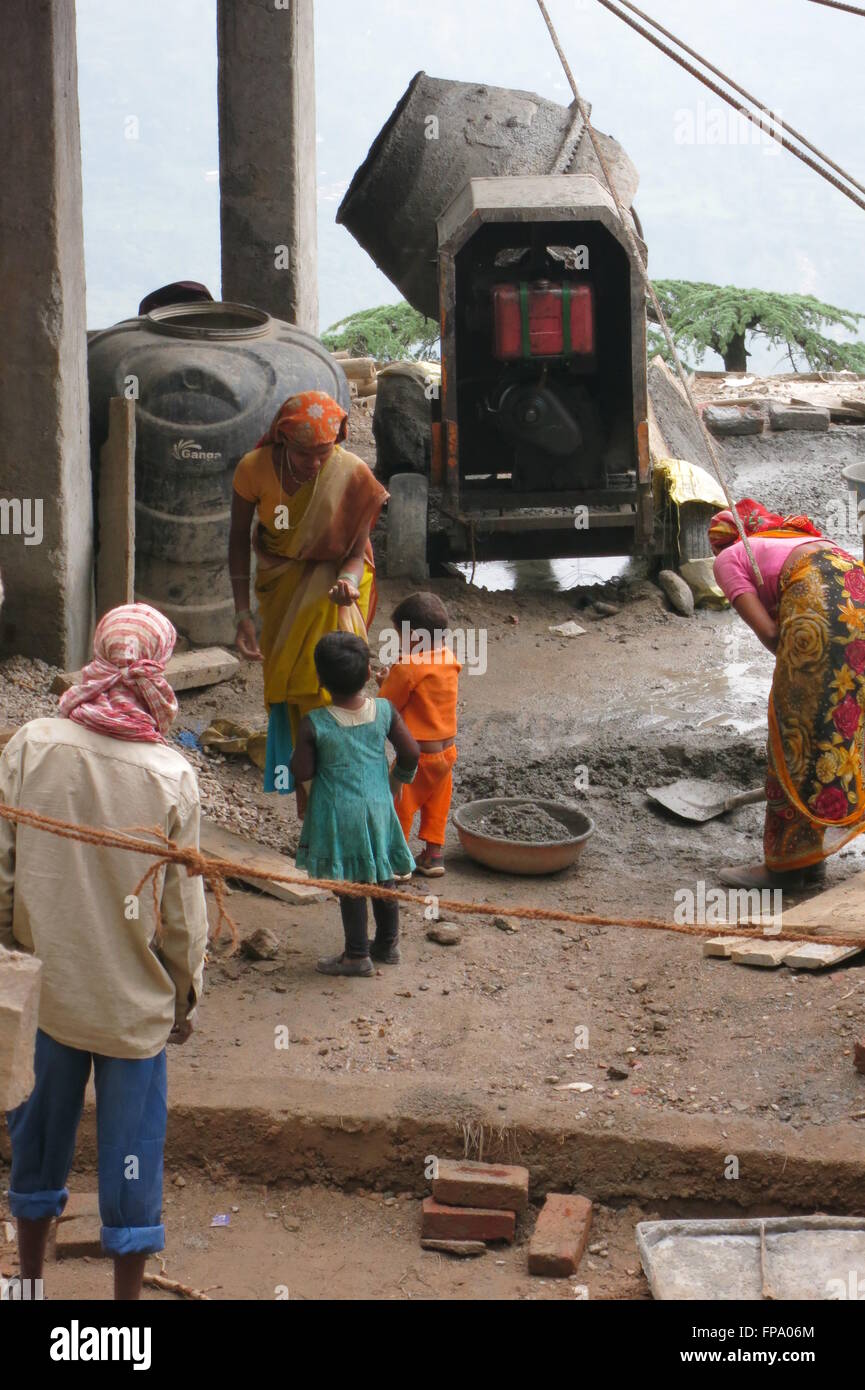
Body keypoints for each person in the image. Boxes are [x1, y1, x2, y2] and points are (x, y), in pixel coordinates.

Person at [0, 604, 208, 1301]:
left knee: (35, 1150)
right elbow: (182, 915)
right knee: (129, 1164)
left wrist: (14, 955)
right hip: (131, 1013)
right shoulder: (169, 775)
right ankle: (121, 1324)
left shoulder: (31, 745)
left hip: (47, 1000)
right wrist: (184, 994)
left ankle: (28, 1289)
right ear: (159, 665)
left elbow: (4, 871)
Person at [229, 391, 388, 814]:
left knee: (325, 691)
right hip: (279, 591)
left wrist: (348, 584)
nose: (316, 463)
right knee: (288, 693)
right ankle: (306, 806)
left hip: (333, 592)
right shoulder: (253, 470)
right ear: (282, 440)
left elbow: (357, 554)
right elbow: (238, 542)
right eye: (304, 454)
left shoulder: (353, 475)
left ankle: (336, 798)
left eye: (325, 451)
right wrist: (243, 614)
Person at [710, 498, 865, 889]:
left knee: (792, 735)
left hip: (819, 611)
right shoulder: (803, 541)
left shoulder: (731, 557)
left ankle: (791, 867)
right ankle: (808, 856)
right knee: (849, 727)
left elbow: (771, 634)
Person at [291, 632, 419, 977]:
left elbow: (300, 770)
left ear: (320, 679)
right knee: (383, 874)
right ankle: (388, 945)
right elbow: (410, 753)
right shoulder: (385, 711)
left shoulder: (314, 723)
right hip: (379, 808)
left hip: (337, 813)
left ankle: (357, 956)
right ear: (367, 675)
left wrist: (309, 793)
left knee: (351, 882)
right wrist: (393, 785)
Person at [376, 592, 461, 877]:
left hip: (417, 757)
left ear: (412, 636)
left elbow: (386, 704)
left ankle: (397, 861)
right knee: (437, 802)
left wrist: (385, 681)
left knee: (399, 800)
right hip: (446, 754)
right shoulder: (449, 660)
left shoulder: (407, 666)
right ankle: (434, 856)